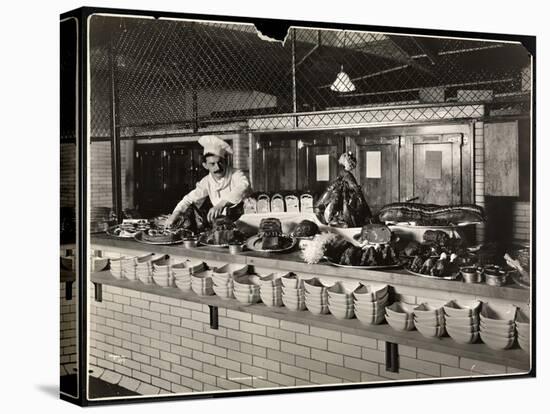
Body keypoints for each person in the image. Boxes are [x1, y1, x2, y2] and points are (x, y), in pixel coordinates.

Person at [165, 135, 250, 227]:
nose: (217, 167)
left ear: (225, 162)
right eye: (212, 164)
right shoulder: (206, 182)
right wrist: (175, 214)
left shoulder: (236, 174)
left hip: (245, 222)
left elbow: (242, 187)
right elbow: (189, 199)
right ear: (205, 165)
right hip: (222, 224)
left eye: (220, 162)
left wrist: (221, 204)